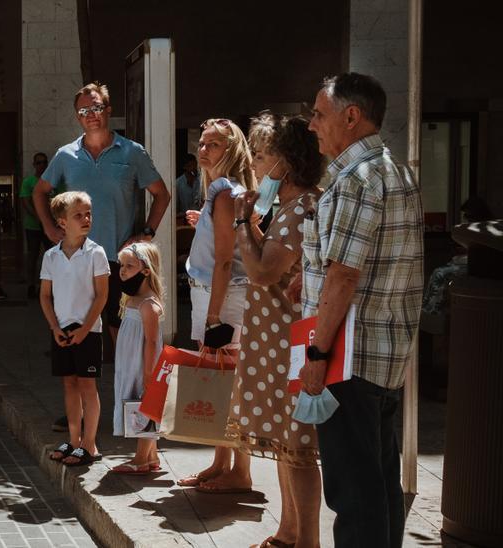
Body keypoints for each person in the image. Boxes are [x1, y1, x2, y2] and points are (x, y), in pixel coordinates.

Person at [302, 72, 423, 548]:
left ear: (350, 116)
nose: (312, 124)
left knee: (354, 496)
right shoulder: (397, 170)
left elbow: (344, 276)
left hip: (350, 360)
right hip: (386, 356)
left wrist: (316, 356)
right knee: (377, 489)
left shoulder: (357, 179)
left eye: (318, 113)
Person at [30, 82, 170, 431]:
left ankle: (131, 408)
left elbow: (161, 195)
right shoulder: (66, 155)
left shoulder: (132, 152)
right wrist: (50, 228)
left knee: (122, 336)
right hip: (78, 262)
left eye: (95, 108)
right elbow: (39, 192)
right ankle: (81, 413)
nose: (90, 115)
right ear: (77, 116)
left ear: (108, 110)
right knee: (79, 334)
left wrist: (147, 233)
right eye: (83, 110)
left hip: (119, 264)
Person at [227, 112, 326, 548]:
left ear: (286, 162)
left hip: (293, 346)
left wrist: (241, 222)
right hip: (280, 343)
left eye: (263, 155)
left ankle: (306, 541)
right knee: (289, 447)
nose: (255, 165)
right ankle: (289, 534)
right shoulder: (288, 208)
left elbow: (264, 272)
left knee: (300, 451)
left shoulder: (298, 209)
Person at [176, 118, 256, 494]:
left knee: (230, 384)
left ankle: (239, 471)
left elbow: (226, 261)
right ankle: (222, 463)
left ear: (232, 150)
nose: (203, 150)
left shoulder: (225, 192)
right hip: (214, 293)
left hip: (221, 298)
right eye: (202, 143)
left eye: (213, 145)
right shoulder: (221, 192)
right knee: (223, 382)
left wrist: (212, 316)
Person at [40, 191, 109, 468]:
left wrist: (85, 329)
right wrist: (54, 327)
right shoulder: (51, 256)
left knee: (87, 385)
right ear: (62, 222)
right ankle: (74, 438)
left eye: (88, 213)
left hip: (88, 330)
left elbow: (102, 295)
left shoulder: (96, 253)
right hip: (62, 330)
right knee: (69, 384)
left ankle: (89, 444)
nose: (86, 219)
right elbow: (46, 295)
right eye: (78, 215)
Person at [109, 242, 164, 474]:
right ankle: (150, 456)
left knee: (145, 404)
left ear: (145, 270)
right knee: (139, 403)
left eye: (129, 266)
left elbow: (151, 341)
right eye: (122, 265)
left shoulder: (148, 304)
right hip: (129, 360)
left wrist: (149, 372)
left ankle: (141, 458)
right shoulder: (131, 299)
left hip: (142, 362)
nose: (122, 270)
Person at [19, 152, 50, 298]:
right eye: (39, 163)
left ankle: (50, 287)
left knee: (53, 256)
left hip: (51, 226)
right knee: (32, 256)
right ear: (34, 165)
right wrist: (40, 218)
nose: (42, 165)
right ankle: (31, 285)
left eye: (44, 162)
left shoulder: (52, 181)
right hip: (33, 226)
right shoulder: (28, 182)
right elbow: (26, 203)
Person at [175, 153, 202, 224]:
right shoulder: (178, 183)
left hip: (200, 220)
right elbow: (176, 206)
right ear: (185, 167)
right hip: (184, 221)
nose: (193, 169)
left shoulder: (202, 181)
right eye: (190, 166)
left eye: (195, 165)